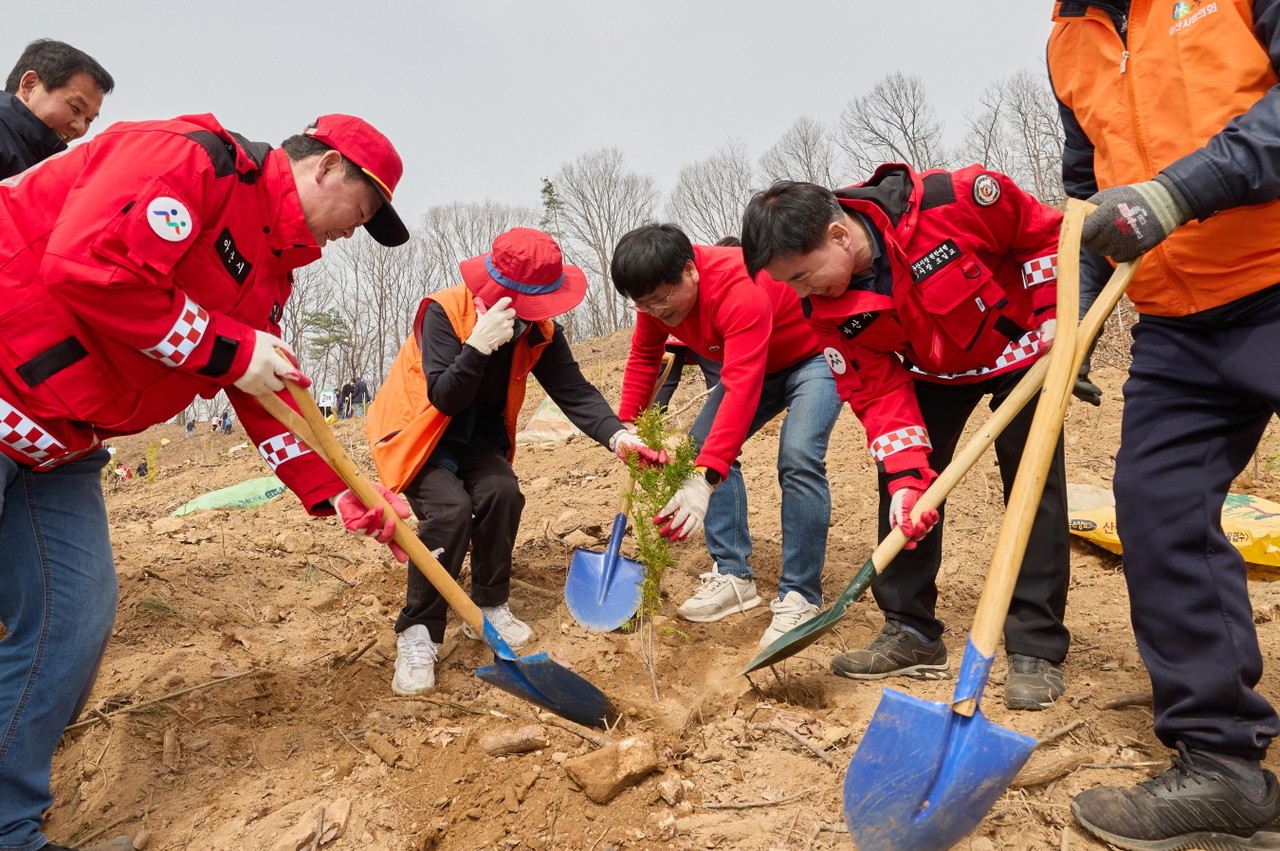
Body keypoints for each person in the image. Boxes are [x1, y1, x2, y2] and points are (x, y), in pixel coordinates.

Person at [0, 111, 414, 851]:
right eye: (365, 208)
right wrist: (225, 347)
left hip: (57, 445)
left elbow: (263, 390)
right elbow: (85, 265)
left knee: (74, 617)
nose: (357, 229)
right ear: (325, 168)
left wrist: (346, 488)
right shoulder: (191, 163)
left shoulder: (271, 271)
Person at [1047, 3, 1280, 846]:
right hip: (1176, 319)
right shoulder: (1066, 36)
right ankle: (1222, 766)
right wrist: (1069, 314)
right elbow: (1087, 191)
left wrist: (1182, 189)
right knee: (1156, 510)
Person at [740, 168, 1069, 710]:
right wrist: (907, 477)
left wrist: (1054, 313)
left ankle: (1035, 646)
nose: (802, 293)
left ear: (839, 235)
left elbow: (1042, 233)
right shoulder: (825, 310)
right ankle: (911, 631)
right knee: (903, 495)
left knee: (1033, 484)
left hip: (1026, 352)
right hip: (933, 373)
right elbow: (874, 385)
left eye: (802, 276)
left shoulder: (953, 201)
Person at [366, 227, 660, 696]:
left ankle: (488, 603)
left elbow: (574, 390)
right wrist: (477, 348)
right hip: (420, 433)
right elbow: (443, 395)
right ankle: (419, 630)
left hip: (476, 437)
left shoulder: (539, 330)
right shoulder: (444, 312)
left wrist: (619, 437)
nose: (534, 314)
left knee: (503, 492)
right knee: (450, 512)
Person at [612, 224, 842, 647]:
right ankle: (734, 576)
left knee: (798, 456)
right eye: (645, 305)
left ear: (690, 270)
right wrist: (628, 425)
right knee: (700, 447)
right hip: (753, 365)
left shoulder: (740, 285)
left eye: (663, 299)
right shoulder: (654, 304)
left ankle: (801, 594)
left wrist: (706, 476)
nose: (658, 311)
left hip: (812, 358)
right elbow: (646, 356)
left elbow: (741, 385)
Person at [1, 39, 113, 180]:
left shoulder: (51, 171)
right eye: (75, 108)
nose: (80, 127)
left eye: (88, 120)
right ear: (29, 84)